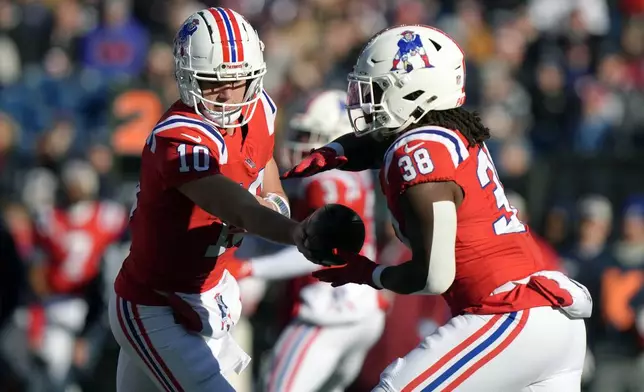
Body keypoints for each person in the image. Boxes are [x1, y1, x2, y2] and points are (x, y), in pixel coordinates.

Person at [284, 25, 593, 391]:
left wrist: (371, 273)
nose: (363, 100)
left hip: (507, 312)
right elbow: (376, 146)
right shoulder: (447, 134)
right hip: (554, 324)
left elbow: (435, 277)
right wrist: (334, 152)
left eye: (377, 88)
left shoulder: (416, 152)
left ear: (413, 91)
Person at [108, 8, 302, 392]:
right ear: (187, 77)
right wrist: (300, 233)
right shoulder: (180, 138)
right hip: (156, 306)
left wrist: (277, 204)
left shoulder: (259, 108)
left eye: (238, 81)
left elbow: (262, 167)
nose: (228, 95)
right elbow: (242, 209)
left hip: (207, 293)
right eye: (212, 82)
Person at [229, 90, 385, 392]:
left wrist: (248, 269)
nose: (300, 143)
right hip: (366, 313)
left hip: (327, 314)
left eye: (312, 134)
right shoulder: (356, 176)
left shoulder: (325, 182)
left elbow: (317, 250)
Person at [29, 160, 127, 392]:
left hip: (98, 304)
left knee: (94, 370)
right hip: (58, 303)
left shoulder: (109, 216)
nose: (75, 188)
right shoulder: (49, 219)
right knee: (56, 370)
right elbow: (36, 270)